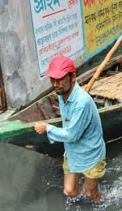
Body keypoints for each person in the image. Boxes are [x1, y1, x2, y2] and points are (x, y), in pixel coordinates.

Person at [33, 56, 106, 202]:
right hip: (74, 151)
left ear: (73, 77)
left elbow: (72, 135)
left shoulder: (82, 102)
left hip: (91, 153)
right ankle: (85, 190)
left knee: (91, 194)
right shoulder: (61, 93)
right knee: (69, 191)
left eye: (60, 79)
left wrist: (48, 128)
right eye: (52, 79)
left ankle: (100, 200)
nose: (55, 84)